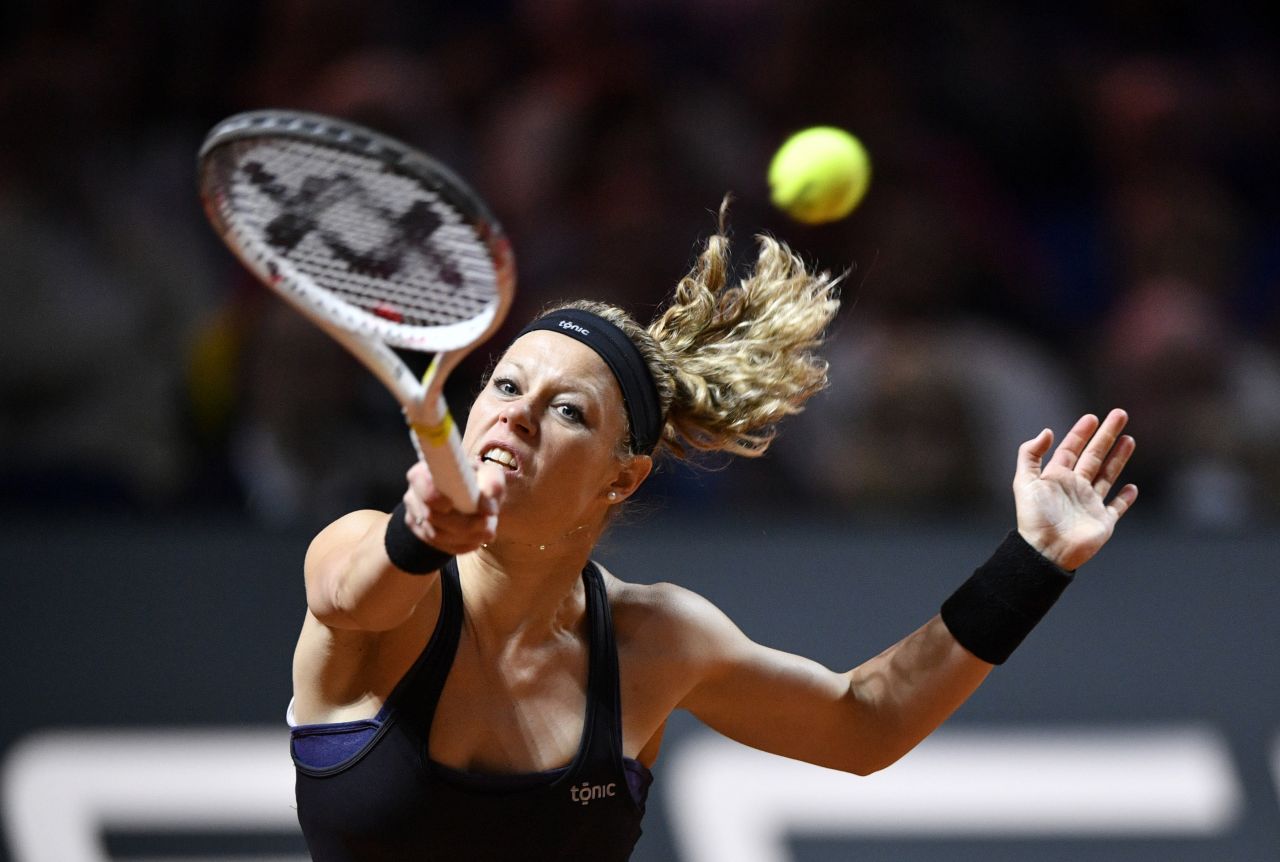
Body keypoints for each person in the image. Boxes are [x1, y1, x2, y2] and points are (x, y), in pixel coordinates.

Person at [286, 212, 1138, 861]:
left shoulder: (655, 643)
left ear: (622, 477)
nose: (518, 412)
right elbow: (349, 598)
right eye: (507, 384)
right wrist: (415, 536)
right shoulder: (367, 551)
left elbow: (866, 725)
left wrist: (1034, 561)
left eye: (570, 411)